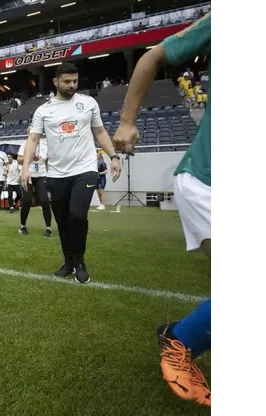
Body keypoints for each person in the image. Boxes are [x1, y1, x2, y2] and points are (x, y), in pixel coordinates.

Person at [113, 13, 211, 407]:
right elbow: (152, 57)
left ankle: (181, 333)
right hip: (211, 179)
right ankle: (181, 339)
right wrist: (127, 121)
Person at [21, 63, 121, 284]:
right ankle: (68, 262)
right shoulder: (43, 111)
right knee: (63, 221)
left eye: (75, 81)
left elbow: (100, 132)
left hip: (85, 169)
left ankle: (80, 262)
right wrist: (25, 168)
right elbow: (33, 140)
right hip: (56, 174)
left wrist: (113, 155)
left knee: (77, 215)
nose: (72, 85)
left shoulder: (88, 103)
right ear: (56, 82)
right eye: (67, 81)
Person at [17, 137, 53, 238]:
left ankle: (48, 228)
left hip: (41, 175)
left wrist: (49, 174)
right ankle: (22, 226)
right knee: (27, 200)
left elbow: (47, 161)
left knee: (44, 200)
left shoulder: (45, 145)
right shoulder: (25, 144)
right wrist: (29, 157)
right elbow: (19, 159)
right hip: (28, 174)